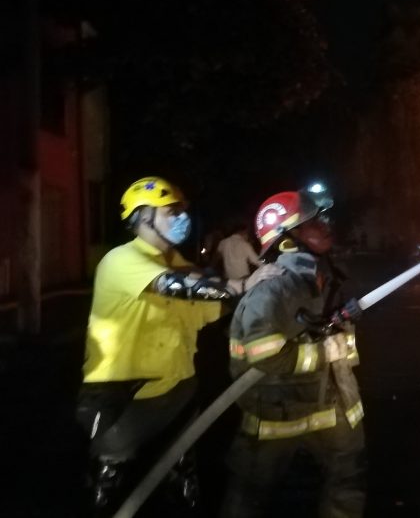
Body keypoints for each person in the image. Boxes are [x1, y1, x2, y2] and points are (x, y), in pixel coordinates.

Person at [77, 176, 278, 516]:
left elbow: (210, 306)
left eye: (181, 211)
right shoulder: (121, 259)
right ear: (143, 216)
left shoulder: (179, 265)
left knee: (182, 475)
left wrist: (261, 300)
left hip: (178, 389)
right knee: (111, 484)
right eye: (171, 211)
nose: (181, 218)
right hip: (124, 397)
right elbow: (175, 286)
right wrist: (242, 284)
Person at [222, 185, 367, 518]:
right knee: (249, 496)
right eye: (314, 222)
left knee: (348, 482)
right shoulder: (270, 292)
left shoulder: (323, 277)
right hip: (276, 415)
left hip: (332, 408)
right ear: (287, 239)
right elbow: (265, 354)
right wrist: (326, 351)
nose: (325, 225)